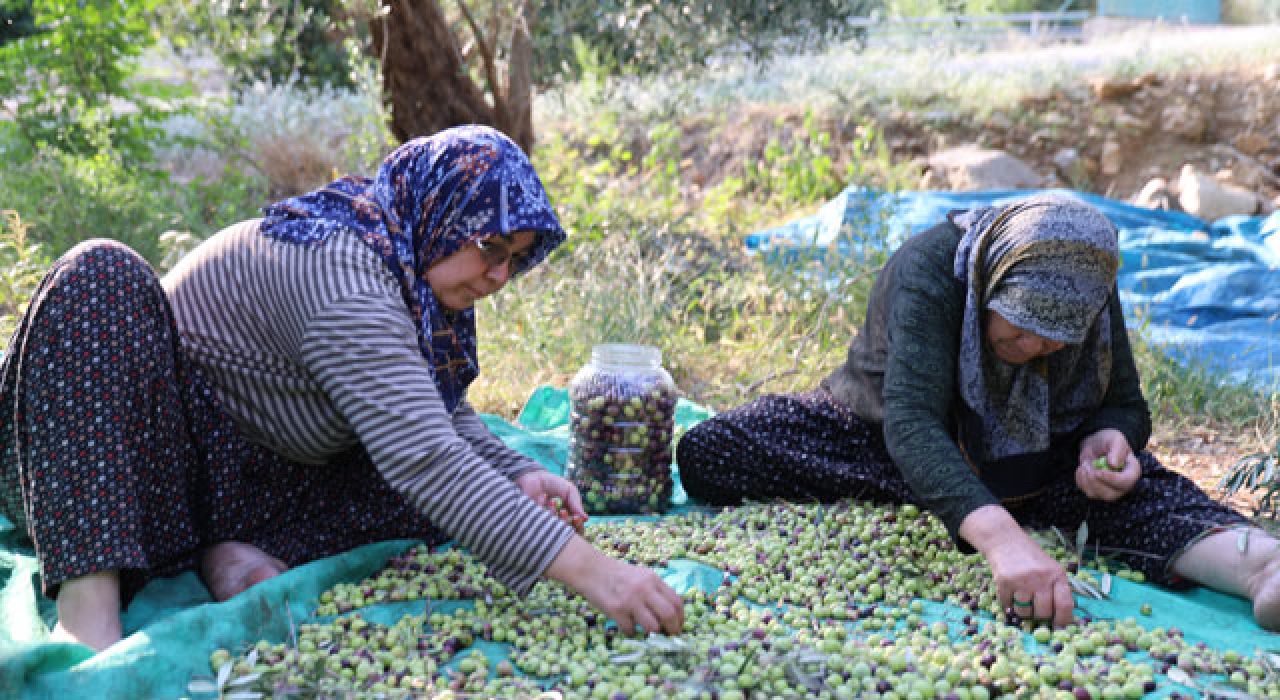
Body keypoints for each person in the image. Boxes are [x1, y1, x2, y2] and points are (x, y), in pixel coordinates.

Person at [0, 125, 684, 652]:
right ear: (441, 212)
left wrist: (513, 472)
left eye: (514, 260)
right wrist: (604, 578)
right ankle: (89, 619)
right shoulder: (342, 272)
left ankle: (220, 548)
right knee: (101, 272)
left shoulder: (413, 270)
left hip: (242, 477)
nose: (499, 277)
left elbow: (426, 410)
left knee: (432, 495)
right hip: (111, 468)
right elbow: (427, 457)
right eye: (490, 248)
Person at [676, 193, 1280, 630]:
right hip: (887, 444)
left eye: (1052, 347)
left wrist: (1109, 441)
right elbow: (909, 422)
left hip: (1037, 464)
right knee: (712, 451)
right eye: (1019, 336)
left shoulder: (1089, 283)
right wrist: (1003, 541)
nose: (1032, 354)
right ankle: (955, 499)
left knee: (1138, 497)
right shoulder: (932, 271)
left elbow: (1123, 403)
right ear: (994, 283)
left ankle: (1264, 572)